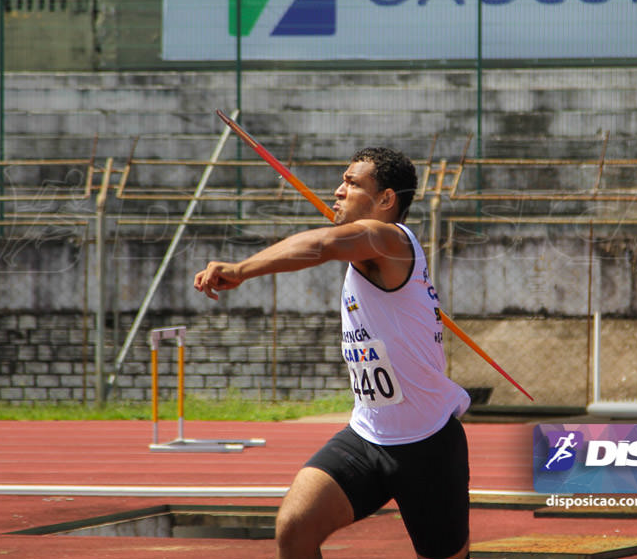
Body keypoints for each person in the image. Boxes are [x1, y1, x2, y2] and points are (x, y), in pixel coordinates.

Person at [194, 147, 471, 559]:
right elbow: (331, 243)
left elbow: (322, 244)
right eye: (342, 181)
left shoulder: (389, 239)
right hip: (367, 437)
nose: (338, 191)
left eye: (352, 183)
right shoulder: (366, 250)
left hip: (427, 446)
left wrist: (239, 270)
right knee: (295, 527)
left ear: (386, 200)